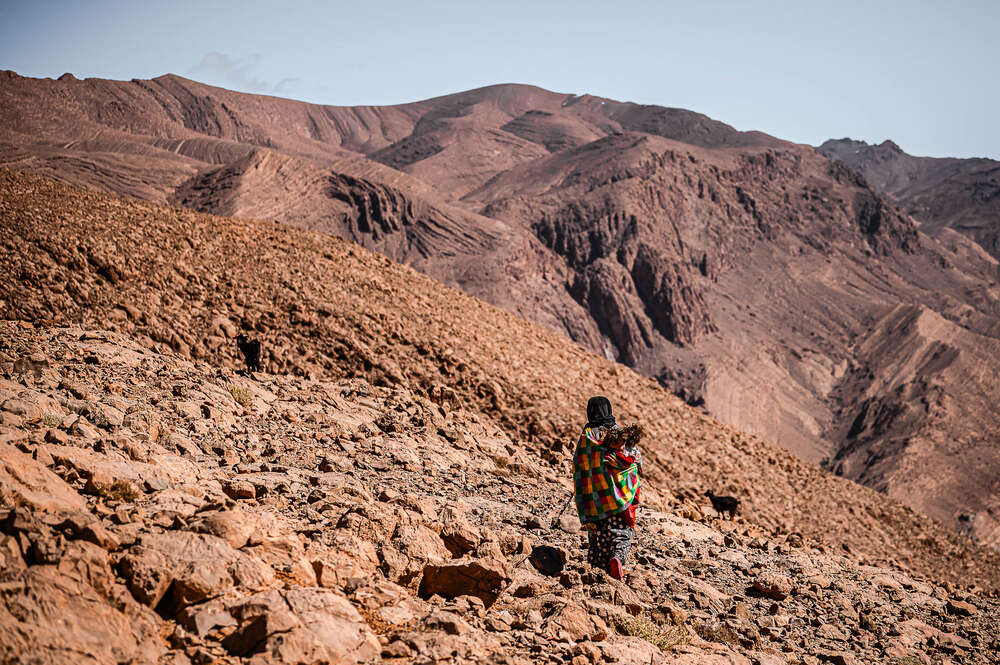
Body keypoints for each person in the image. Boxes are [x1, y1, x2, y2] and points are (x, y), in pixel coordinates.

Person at [573, 396, 643, 581]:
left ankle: (597, 573)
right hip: (617, 496)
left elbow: (579, 464)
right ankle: (617, 558)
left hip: (594, 500)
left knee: (598, 538)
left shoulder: (586, 437)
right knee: (622, 533)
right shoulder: (618, 434)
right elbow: (636, 459)